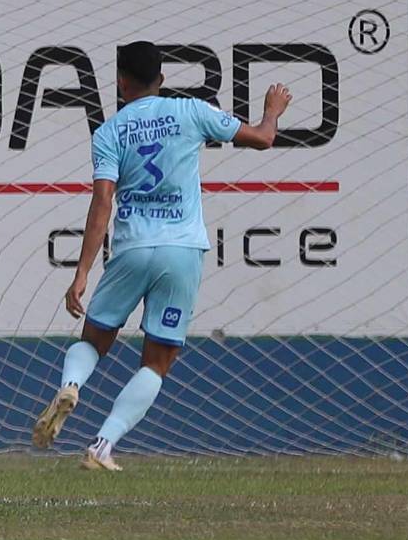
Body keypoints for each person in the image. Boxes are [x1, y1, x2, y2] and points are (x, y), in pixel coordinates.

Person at [31, 41, 292, 471]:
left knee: (94, 339)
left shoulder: (109, 131)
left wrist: (80, 274)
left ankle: (72, 384)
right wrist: (273, 110)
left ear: (121, 81)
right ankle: (102, 446)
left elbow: (101, 206)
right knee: (158, 360)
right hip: (182, 250)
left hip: (132, 248)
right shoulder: (191, 111)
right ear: (163, 79)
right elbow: (263, 138)